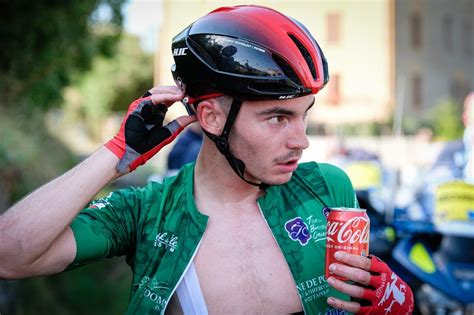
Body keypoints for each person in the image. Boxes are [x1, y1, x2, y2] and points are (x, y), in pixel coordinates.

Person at [0, 5, 414, 314]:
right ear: (212, 117)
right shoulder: (149, 213)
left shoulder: (327, 187)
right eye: (278, 118)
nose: (301, 140)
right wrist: (115, 155)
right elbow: (9, 255)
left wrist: (398, 304)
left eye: (304, 115)